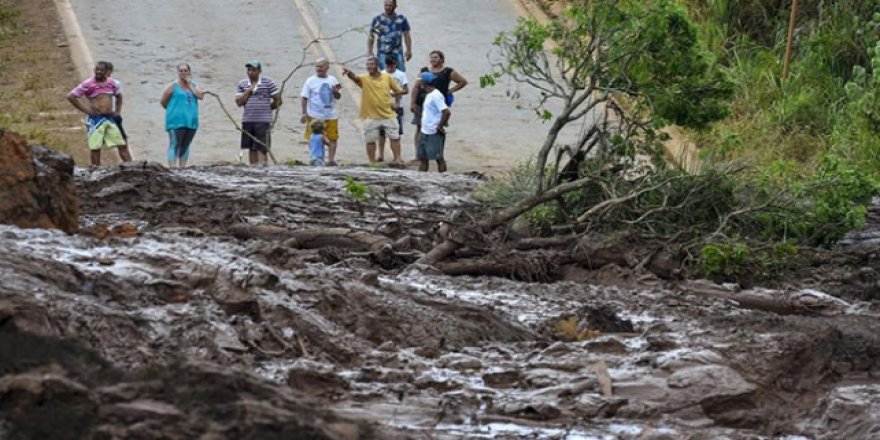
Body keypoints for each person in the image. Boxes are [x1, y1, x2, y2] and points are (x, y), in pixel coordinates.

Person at [342, 56, 406, 165]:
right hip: (371, 115)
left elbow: (398, 91)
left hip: (388, 114)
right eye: (367, 64)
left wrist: (397, 103)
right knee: (370, 140)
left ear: (377, 65)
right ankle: (371, 162)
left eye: (371, 64)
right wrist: (349, 73)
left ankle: (397, 159)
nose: (369, 66)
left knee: (395, 137)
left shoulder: (387, 77)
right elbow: (355, 78)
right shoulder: (364, 78)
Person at [67, 61, 133, 166]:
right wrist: (86, 110)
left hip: (109, 118)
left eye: (101, 70)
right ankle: (96, 170)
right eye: (97, 69)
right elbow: (71, 96)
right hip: (96, 120)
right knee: (95, 147)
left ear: (106, 71)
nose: (98, 72)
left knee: (121, 144)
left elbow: (119, 96)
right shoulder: (88, 84)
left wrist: (117, 111)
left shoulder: (112, 83)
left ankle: (131, 166)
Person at [410, 50, 467, 152]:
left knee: (438, 128)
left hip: (438, 105)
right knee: (419, 128)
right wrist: (412, 102)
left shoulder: (448, 71)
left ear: (441, 59)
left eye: (435, 57)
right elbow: (416, 87)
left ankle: (436, 153)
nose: (433, 59)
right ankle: (419, 153)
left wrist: (451, 90)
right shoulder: (424, 71)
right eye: (431, 57)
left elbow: (463, 81)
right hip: (421, 103)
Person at [235, 60, 281, 166]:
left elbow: (278, 100)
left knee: (262, 147)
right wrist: (248, 91)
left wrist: (268, 108)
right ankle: (254, 168)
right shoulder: (242, 84)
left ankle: (263, 167)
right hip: (248, 120)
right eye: (249, 70)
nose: (250, 72)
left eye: (253, 70)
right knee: (251, 147)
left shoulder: (268, 83)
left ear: (259, 71)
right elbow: (239, 102)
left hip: (263, 121)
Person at [160, 63, 204, 169]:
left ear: (189, 72)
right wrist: (173, 110)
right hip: (176, 121)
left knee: (186, 144)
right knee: (174, 143)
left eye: (185, 70)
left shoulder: (194, 86)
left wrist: (190, 84)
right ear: (178, 72)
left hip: (191, 120)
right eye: (181, 71)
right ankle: (172, 167)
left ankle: (183, 168)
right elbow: (163, 102)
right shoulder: (172, 86)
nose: (183, 73)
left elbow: (200, 96)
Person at [300, 58, 342, 165]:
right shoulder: (310, 81)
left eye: (321, 66)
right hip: (314, 116)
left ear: (327, 67)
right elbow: (304, 97)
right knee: (313, 138)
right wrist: (304, 113)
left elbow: (338, 97)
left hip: (330, 115)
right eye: (317, 66)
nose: (319, 69)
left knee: (333, 138)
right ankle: (314, 157)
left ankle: (331, 160)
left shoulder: (332, 80)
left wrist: (335, 92)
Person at [417, 72, 450, 173]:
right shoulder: (429, 94)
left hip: (433, 131)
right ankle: (421, 176)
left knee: (438, 157)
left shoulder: (436, 95)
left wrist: (439, 126)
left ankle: (443, 176)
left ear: (424, 83)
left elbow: (446, 112)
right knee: (422, 157)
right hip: (425, 130)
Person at [377, 56, 409, 162]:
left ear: (395, 64)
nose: (391, 68)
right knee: (381, 132)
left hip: (397, 106)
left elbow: (406, 90)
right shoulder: (381, 74)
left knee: (396, 133)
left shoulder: (401, 75)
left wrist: (396, 93)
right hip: (383, 106)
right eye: (389, 65)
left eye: (392, 65)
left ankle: (397, 156)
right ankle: (380, 154)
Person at [368, 0, 412, 72]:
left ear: (395, 6)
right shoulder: (377, 19)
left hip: (397, 51)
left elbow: (407, 35)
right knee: (384, 73)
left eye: (390, 5)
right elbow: (371, 36)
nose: (387, 7)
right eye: (386, 5)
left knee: (401, 71)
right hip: (382, 52)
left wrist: (409, 50)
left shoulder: (401, 19)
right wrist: (370, 51)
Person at [105, 62, 129, 149]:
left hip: (112, 114)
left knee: (122, 140)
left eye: (106, 70)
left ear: (111, 71)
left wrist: (117, 112)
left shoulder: (115, 83)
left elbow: (119, 98)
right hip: (102, 115)